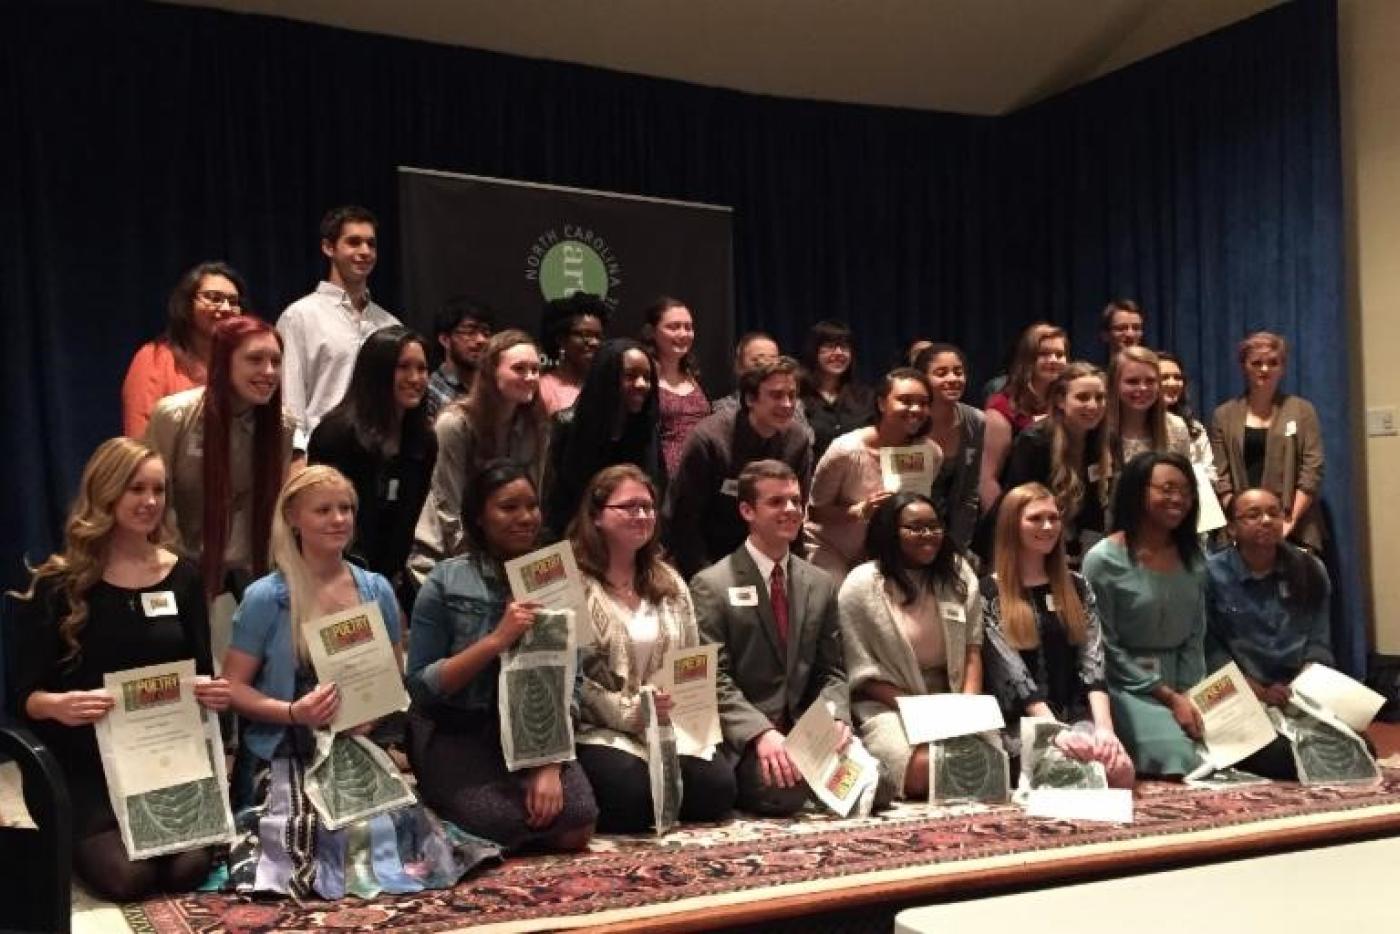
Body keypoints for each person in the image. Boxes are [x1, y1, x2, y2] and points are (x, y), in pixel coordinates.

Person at [224, 466, 481, 897]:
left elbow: (391, 680)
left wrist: (373, 714)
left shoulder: (375, 589)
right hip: (287, 749)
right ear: (293, 518)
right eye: (323, 510)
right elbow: (232, 689)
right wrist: (292, 712)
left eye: (346, 508)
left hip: (358, 744)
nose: (339, 519)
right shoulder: (266, 597)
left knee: (389, 835)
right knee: (315, 841)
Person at [9, 438, 231, 902]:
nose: (150, 502)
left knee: (186, 869)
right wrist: (56, 705)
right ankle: (68, 835)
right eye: (136, 489)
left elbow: (201, 673)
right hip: (85, 765)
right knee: (129, 879)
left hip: (161, 761)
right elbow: (21, 695)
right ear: (106, 492)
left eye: (159, 490)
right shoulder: (59, 582)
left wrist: (212, 694)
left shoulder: (183, 577)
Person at [406, 460, 598, 851]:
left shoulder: (554, 575)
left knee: (578, 822)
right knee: (495, 822)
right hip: (459, 729)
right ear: (479, 517)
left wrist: (549, 763)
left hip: (536, 730)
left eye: (532, 506)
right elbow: (421, 686)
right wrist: (496, 640)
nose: (526, 517)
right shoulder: (445, 580)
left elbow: (572, 680)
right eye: (509, 508)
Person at [570, 465, 736, 831]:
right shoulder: (573, 585)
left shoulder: (669, 581)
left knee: (717, 790)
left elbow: (689, 660)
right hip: (600, 727)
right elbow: (572, 679)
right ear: (596, 516)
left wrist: (682, 707)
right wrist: (633, 714)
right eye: (629, 507)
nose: (642, 515)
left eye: (648, 507)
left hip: (666, 724)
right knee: (634, 799)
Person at [691, 460, 850, 816]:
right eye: (776, 502)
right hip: (751, 736)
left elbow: (833, 670)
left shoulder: (820, 583)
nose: (791, 510)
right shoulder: (712, 585)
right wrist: (760, 734)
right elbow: (714, 679)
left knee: (881, 782)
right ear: (747, 510)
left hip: (807, 729)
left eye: (796, 501)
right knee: (783, 794)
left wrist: (836, 717)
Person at [980, 483, 1134, 787]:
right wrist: (1054, 731)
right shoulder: (988, 592)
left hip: (1076, 715)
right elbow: (1014, 677)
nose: (1048, 526)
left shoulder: (1077, 585)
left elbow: (1093, 663)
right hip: (1022, 723)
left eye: (1053, 517)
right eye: (1035, 518)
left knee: (1120, 772)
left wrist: (1104, 729)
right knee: (1073, 775)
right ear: (1012, 524)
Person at [837, 493, 982, 803]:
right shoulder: (861, 585)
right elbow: (862, 674)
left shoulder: (958, 574)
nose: (927, 535)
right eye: (915, 528)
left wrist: (968, 709)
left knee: (985, 760)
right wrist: (921, 711)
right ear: (891, 531)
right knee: (923, 769)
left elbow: (973, 648)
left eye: (933, 526)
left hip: (952, 699)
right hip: (891, 703)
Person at [146, 316, 297, 600]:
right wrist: (175, 568)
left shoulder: (282, 425)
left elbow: (271, 504)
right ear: (224, 362)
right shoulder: (174, 416)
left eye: (276, 362)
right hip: (180, 563)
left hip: (248, 567)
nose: (269, 371)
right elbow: (156, 503)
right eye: (255, 359)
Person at [1082, 451, 1206, 777]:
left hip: (1183, 684)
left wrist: (1190, 693)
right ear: (1138, 491)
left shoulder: (1194, 558)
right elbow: (1104, 646)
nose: (1177, 498)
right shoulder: (1102, 560)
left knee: (1240, 743)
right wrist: (1167, 696)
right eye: (1166, 489)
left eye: (1185, 490)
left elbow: (1196, 635)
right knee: (1180, 756)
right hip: (1126, 685)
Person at [1205, 488, 1334, 779]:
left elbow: (1319, 640)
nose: (1266, 520)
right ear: (1231, 527)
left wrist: (1300, 688)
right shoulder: (1210, 574)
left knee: (1360, 747)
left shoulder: (1310, 568)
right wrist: (1256, 690)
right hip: (1239, 691)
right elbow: (1209, 648)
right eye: (1253, 515)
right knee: (1284, 759)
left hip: (1297, 691)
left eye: (1274, 513)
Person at [410, 330, 549, 577]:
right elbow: (448, 507)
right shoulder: (454, 424)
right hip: (446, 553)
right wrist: (478, 570)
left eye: (535, 369)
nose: (530, 377)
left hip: (506, 551)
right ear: (491, 372)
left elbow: (532, 501)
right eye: (519, 369)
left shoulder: (535, 426)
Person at [308, 326, 436, 590]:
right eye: (403, 367)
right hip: (329, 577)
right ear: (377, 371)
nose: (415, 378)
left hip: (387, 580)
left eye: (422, 369)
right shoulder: (336, 435)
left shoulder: (424, 441)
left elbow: (406, 523)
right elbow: (321, 522)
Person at [663, 357, 814, 579]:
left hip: (770, 555)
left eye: (792, 396)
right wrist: (707, 579)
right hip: (712, 554)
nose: (788, 404)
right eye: (776, 395)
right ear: (750, 398)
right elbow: (685, 521)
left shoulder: (797, 440)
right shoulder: (710, 439)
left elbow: (795, 519)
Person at [806, 368, 941, 583]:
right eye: (905, 401)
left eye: (923, 403)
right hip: (832, 549)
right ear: (881, 403)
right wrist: (860, 511)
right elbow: (815, 513)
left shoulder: (930, 453)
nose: (916, 409)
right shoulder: (846, 450)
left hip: (887, 552)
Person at [278, 205, 399, 436]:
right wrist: (296, 455)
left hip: (379, 453)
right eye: (354, 242)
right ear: (328, 247)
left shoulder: (390, 324)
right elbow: (289, 398)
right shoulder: (300, 316)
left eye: (371, 244)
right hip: (320, 455)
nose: (365, 251)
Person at [1210, 332, 1325, 552]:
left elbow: (1312, 472)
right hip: (1241, 529)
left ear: (1282, 368)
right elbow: (1220, 476)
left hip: (1294, 525)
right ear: (1244, 366)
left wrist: (1284, 524)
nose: (1264, 369)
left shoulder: (1302, 411)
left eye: (1273, 363)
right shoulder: (1223, 415)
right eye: (1256, 363)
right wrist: (1244, 521)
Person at [543, 339, 662, 536]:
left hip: (631, 539)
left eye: (647, 377)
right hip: (575, 537)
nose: (641, 384)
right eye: (630, 376)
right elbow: (556, 502)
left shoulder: (647, 430)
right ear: (607, 378)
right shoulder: (567, 425)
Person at [996, 362, 1109, 567]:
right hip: (1026, 543)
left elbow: (1094, 506)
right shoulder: (1035, 441)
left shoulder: (1099, 439)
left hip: (1073, 545)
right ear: (1060, 401)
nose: (1093, 405)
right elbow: (1021, 506)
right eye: (1083, 397)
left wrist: (1090, 557)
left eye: (1100, 398)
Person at [122, 261, 245, 437]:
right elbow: (139, 441)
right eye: (213, 298)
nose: (226, 308)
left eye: (233, 302)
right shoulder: (153, 358)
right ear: (187, 303)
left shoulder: (241, 362)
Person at [981, 323, 1068, 512]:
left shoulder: (1067, 402)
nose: (1053, 360)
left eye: (1060, 355)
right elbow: (987, 479)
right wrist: (1002, 522)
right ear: (1027, 359)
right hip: (1019, 511)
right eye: (1044, 354)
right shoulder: (1001, 408)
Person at [916, 343, 985, 553]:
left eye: (958, 372)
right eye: (941, 373)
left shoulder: (975, 420)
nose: (953, 379)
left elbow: (969, 494)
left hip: (954, 532)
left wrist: (957, 548)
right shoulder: (911, 420)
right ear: (922, 379)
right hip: (911, 528)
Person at [1103, 346, 1192, 494]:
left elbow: (1183, 487)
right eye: (1132, 381)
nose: (1143, 388)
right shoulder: (1099, 429)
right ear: (1114, 385)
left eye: (1150, 381)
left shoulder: (1176, 427)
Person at [642, 297, 710, 477]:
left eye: (688, 327)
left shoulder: (693, 375)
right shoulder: (644, 379)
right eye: (673, 327)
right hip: (663, 479)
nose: (683, 334)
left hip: (702, 474)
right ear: (651, 332)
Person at [799, 320, 876, 463]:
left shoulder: (866, 397)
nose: (839, 353)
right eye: (830, 346)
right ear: (814, 351)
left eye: (845, 347)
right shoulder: (799, 397)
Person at [426, 296, 495, 421]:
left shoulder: (494, 387)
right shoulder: (429, 392)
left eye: (486, 333)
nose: (481, 340)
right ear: (445, 339)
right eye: (470, 331)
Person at [538, 293, 608, 414]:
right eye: (586, 335)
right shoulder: (542, 389)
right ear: (561, 339)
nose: (594, 342)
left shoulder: (607, 387)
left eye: (598, 336)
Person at [1157, 351, 1216, 477]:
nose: (1173, 383)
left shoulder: (1194, 428)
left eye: (1177, 377)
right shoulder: (1137, 424)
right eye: (1164, 377)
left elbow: (1208, 471)